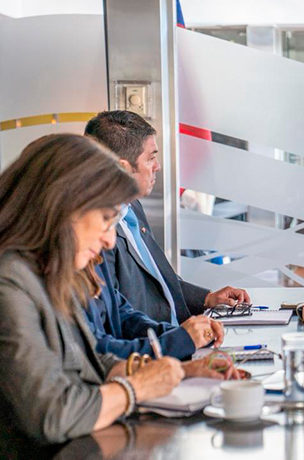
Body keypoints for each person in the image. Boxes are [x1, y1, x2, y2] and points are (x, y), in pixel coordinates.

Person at [0, 134, 239, 449]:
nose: (110, 240)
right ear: (62, 207)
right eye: (105, 219)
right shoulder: (10, 283)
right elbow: (53, 414)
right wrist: (135, 389)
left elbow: (93, 359)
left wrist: (181, 371)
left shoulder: (49, 272)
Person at [84, 111, 250, 324]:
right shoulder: (97, 235)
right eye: (151, 158)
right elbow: (119, 319)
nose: (158, 166)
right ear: (124, 168)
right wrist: (180, 338)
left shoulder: (132, 207)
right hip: (156, 342)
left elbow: (160, 282)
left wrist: (207, 299)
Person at [85, 256, 226, 360]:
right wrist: (176, 341)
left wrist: (188, 335)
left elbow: (124, 317)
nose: (110, 241)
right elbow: (95, 353)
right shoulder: (75, 276)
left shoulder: (95, 261)